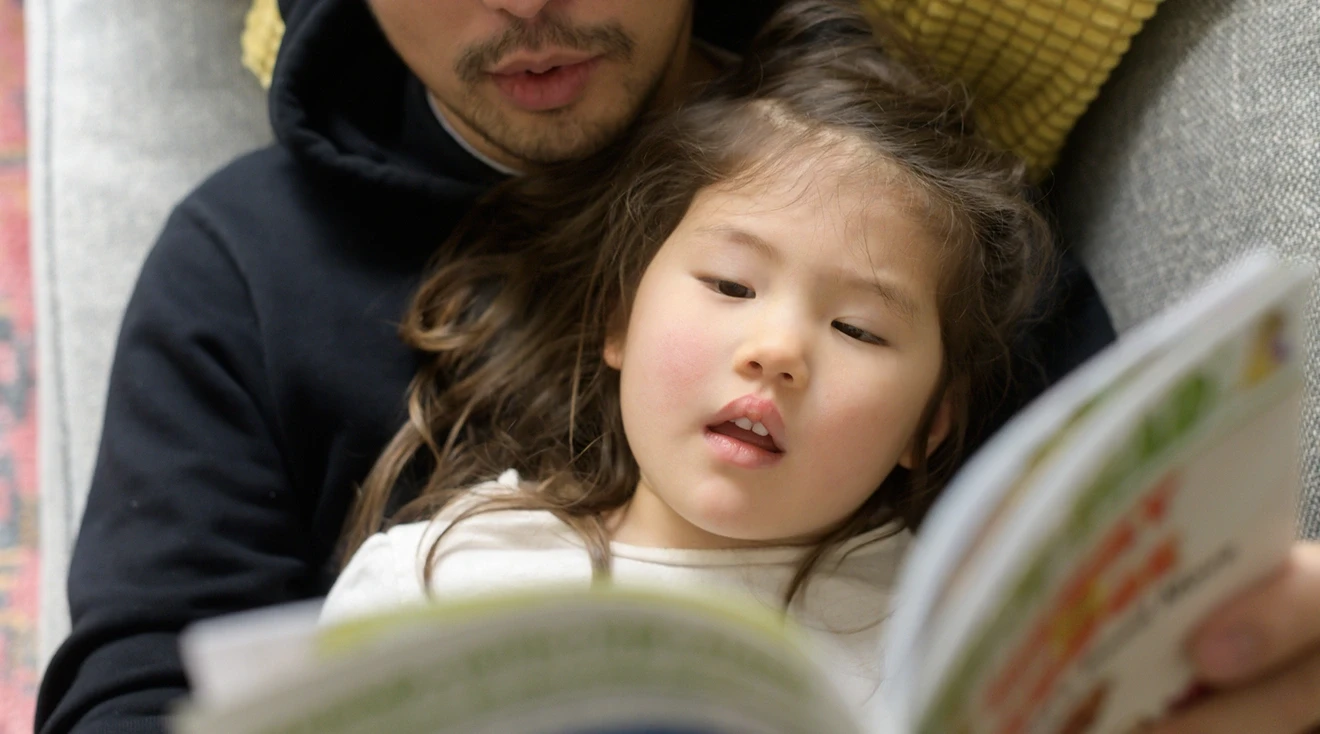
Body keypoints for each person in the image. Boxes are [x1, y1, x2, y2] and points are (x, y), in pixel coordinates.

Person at [34, 0, 1320, 732]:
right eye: (721, 281)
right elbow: (138, 691)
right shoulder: (244, 261)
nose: (526, 2)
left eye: (857, 332)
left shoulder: (929, 230)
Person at [319, 0, 1055, 708]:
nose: (777, 352)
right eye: (732, 286)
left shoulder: (961, 638)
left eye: (857, 330)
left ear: (930, 422)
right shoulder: (434, 583)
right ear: (621, 320)